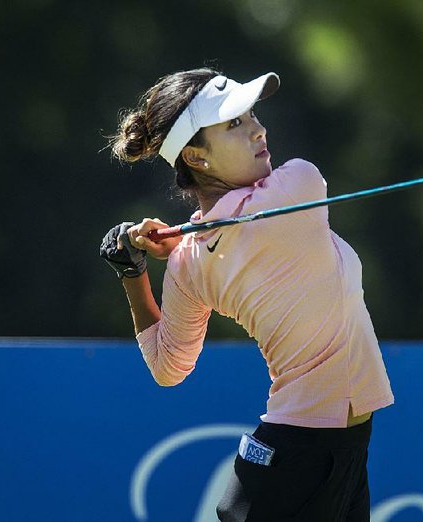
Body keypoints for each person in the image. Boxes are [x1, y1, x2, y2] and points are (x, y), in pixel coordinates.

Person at [99, 67, 394, 521]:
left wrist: (142, 264)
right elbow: (168, 367)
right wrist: (141, 267)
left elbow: (166, 366)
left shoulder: (189, 259)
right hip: (297, 461)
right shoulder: (297, 184)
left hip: (334, 453)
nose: (259, 129)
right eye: (235, 123)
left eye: (252, 115)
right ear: (196, 158)